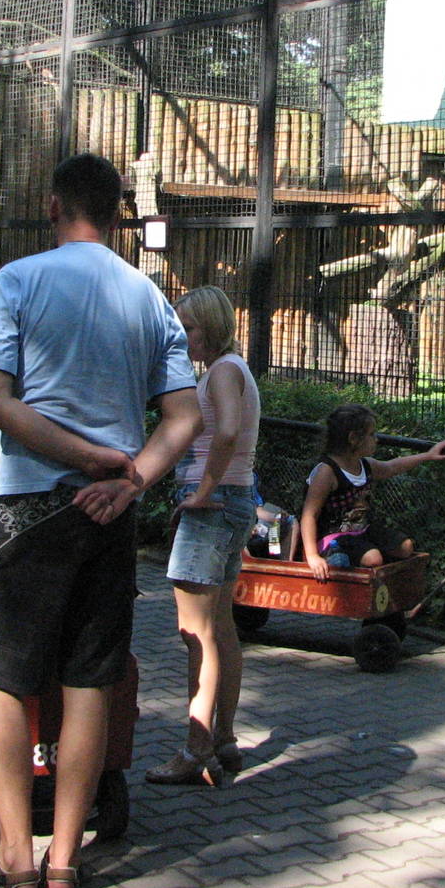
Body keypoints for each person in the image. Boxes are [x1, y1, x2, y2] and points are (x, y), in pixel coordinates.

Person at [0, 153, 200, 888]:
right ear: (119, 213)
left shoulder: (19, 280)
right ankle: (64, 860)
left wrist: (86, 457)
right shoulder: (150, 298)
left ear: (53, 204)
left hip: (30, 504)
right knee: (91, 679)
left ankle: (14, 858)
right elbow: (184, 418)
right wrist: (128, 480)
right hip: (110, 517)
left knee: (2, 675)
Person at [145, 286, 259, 788]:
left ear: (212, 326)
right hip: (233, 502)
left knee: (196, 634)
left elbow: (228, 432)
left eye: (189, 327)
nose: (182, 336)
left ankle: (196, 748)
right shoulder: (227, 370)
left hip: (214, 506)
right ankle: (225, 738)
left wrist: (201, 490)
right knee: (220, 628)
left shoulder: (224, 371)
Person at [298, 405, 445, 583]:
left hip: (360, 530)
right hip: (332, 536)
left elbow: (392, 466)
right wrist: (312, 556)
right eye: (371, 435)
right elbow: (310, 514)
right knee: (373, 558)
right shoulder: (327, 471)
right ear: (354, 439)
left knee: (405, 547)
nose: (376, 440)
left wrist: (428, 456)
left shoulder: (365, 465)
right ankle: (337, 561)